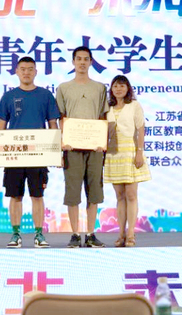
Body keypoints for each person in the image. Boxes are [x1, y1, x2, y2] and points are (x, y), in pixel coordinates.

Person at [0, 57, 60, 248]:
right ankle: (15, 234)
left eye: (30, 69)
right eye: (22, 69)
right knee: (15, 196)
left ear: (36, 72)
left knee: (37, 196)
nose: (26, 72)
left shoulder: (45, 95)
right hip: (15, 155)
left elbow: (53, 125)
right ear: (16, 71)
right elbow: (1, 126)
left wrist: (57, 153)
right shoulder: (9, 96)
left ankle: (39, 234)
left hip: (39, 155)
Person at [56, 46, 109, 248]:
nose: (82, 62)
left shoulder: (99, 88)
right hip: (72, 147)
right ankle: (75, 234)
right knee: (72, 192)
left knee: (94, 191)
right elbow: (61, 117)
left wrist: (102, 141)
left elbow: (103, 116)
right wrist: (63, 142)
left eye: (86, 59)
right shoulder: (64, 88)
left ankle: (91, 233)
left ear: (91, 62)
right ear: (73, 62)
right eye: (78, 59)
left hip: (95, 148)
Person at [104, 75, 151, 247]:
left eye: (122, 86)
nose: (118, 89)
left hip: (130, 152)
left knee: (131, 194)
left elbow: (141, 129)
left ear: (128, 88)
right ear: (111, 89)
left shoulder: (134, 105)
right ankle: (121, 234)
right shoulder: (107, 107)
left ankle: (131, 233)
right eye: (115, 86)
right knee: (119, 196)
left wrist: (139, 152)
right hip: (113, 154)